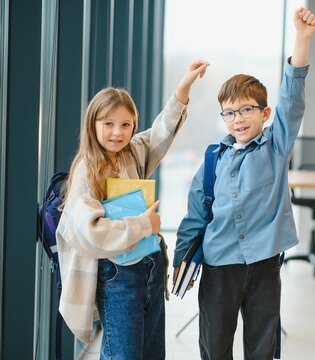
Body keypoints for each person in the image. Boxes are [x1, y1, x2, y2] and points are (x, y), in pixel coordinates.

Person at [172, 7, 315, 360]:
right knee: (214, 347)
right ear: (223, 116)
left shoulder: (275, 146)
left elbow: (292, 100)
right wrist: (181, 262)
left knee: (262, 349)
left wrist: (301, 39)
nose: (238, 119)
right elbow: (196, 215)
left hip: (264, 265)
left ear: (264, 113)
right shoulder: (212, 160)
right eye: (230, 112)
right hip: (219, 265)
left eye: (247, 110)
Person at [56, 59, 209, 359]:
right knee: (122, 355)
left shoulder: (133, 152)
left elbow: (162, 131)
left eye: (126, 124)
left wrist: (184, 86)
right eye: (108, 124)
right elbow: (88, 232)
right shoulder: (86, 170)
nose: (117, 132)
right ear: (93, 124)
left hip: (149, 269)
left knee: (151, 354)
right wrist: (143, 226)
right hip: (119, 276)